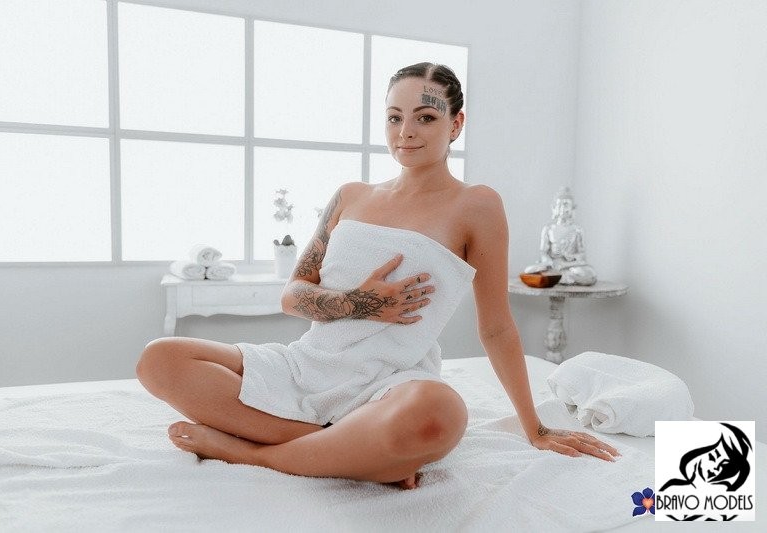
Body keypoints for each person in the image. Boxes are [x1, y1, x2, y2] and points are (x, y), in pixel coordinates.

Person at [136, 62, 620, 490]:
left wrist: (535, 427)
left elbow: (495, 326)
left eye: (425, 117)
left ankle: (253, 452)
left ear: (456, 124)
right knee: (159, 359)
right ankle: (343, 450)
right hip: (307, 365)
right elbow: (293, 295)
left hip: (391, 384)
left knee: (441, 415)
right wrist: (362, 303)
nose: (405, 132)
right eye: (394, 117)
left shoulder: (477, 205)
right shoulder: (352, 195)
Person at [524, 186, 597, 285]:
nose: (563, 208)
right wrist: (550, 262)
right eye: (560, 205)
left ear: (572, 208)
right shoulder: (548, 229)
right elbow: (543, 252)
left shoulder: (577, 230)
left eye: (567, 205)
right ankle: (561, 277)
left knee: (590, 274)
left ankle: (558, 277)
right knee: (529, 270)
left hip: (570, 266)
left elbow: (582, 257)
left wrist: (567, 261)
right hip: (552, 265)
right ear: (554, 208)